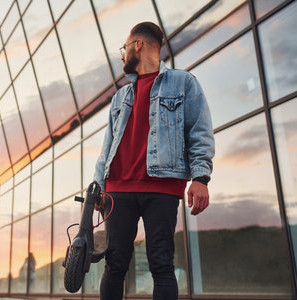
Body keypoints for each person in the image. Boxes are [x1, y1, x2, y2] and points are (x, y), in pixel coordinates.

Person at [93, 22, 215, 300]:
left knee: (161, 265)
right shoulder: (120, 97)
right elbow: (107, 147)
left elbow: (200, 132)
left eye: (124, 48)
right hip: (117, 191)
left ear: (138, 45)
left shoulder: (183, 83)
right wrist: (98, 185)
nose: (122, 56)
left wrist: (200, 178)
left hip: (161, 186)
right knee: (114, 266)